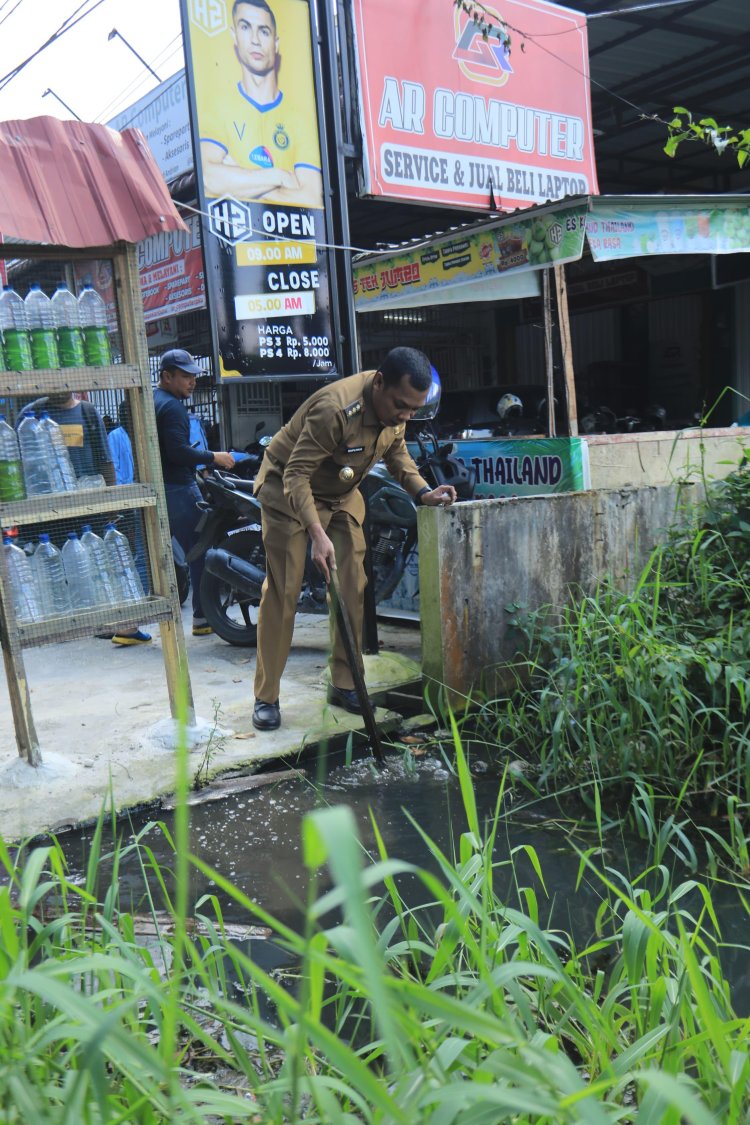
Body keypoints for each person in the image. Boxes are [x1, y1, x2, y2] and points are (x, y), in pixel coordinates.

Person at [251, 347, 457, 731]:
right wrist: (316, 534)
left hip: (341, 494)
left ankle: (345, 683)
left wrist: (423, 492)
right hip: (287, 490)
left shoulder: (396, 411)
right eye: (401, 406)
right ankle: (267, 696)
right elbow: (296, 475)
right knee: (284, 590)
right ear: (379, 383)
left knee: (352, 585)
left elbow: (397, 454)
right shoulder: (335, 410)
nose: (405, 415)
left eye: (413, 410)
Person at [199, 0, 324, 208]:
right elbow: (208, 179)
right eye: (245, 27)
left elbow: (312, 198)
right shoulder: (217, 107)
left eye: (264, 31)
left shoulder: (301, 120)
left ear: (276, 43)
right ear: (234, 35)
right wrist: (280, 176)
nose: (255, 40)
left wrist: (237, 181)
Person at [154, 349, 235, 636]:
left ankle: (130, 624)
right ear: (167, 376)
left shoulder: (153, 400)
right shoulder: (172, 407)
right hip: (178, 487)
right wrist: (214, 457)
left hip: (159, 487)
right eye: (185, 376)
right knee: (204, 546)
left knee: (153, 557)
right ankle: (203, 616)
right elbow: (177, 452)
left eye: (193, 376)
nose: (192, 382)